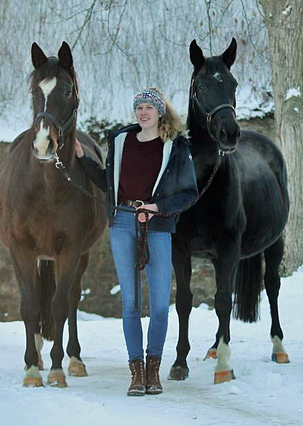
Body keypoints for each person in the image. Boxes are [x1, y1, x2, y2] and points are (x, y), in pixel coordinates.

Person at [75, 88, 198, 396]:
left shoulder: (176, 147)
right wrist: (82, 159)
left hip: (156, 225)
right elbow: (108, 183)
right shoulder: (121, 142)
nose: (143, 112)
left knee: (159, 305)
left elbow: (188, 193)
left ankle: (154, 370)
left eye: (149, 107)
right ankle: (137, 372)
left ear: (160, 112)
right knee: (130, 304)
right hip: (122, 223)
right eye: (139, 107)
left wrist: (157, 208)